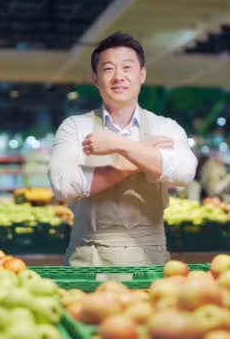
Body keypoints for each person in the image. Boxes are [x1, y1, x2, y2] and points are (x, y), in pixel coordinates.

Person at [49, 32, 198, 266]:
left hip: (150, 259)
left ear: (142, 74)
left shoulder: (166, 127)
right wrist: (135, 160)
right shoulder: (74, 127)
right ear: (95, 78)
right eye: (108, 69)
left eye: (127, 67)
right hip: (89, 258)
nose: (119, 76)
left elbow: (183, 173)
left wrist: (119, 145)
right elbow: (63, 185)